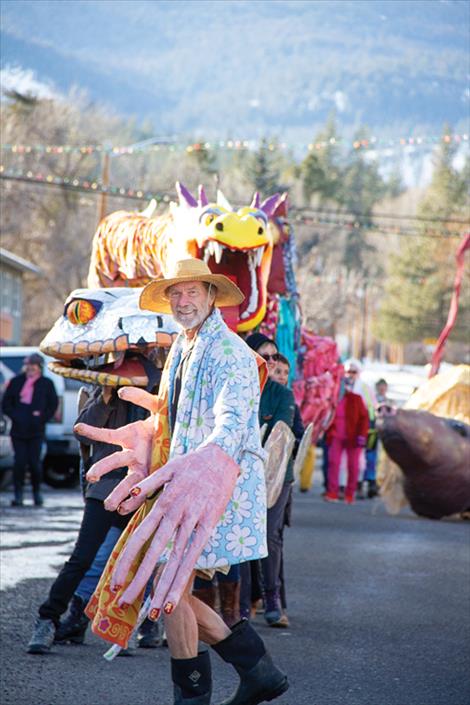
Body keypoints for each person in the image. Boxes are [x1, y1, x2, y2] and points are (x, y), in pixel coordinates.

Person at [72, 259, 288, 705]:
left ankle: (200, 695)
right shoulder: (183, 348)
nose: (183, 300)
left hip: (210, 487)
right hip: (179, 485)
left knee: (171, 591)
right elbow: (172, 417)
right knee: (172, 591)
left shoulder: (230, 353)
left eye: (192, 292)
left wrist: (209, 457)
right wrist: (150, 431)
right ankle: (257, 671)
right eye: (176, 293)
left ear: (211, 297)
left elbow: (233, 423)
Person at [26, 371, 159, 655]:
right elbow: (82, 429)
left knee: (138, 559)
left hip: (143, 488)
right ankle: (48, 619)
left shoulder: (158, 381)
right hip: (106, 488)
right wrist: (107, 397)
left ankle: (130, 627)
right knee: (83, 558)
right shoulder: (103, 388)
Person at [243, 335, 296, 629]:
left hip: (276, 476)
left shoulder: (281, 395)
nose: (273, 362)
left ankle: (272, 600)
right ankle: (240, 603)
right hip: (240, 473)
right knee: (241, 536)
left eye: (275, 357)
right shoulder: (238, 387)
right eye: (267, 356)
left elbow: (280, 435)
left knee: (268, 536)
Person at [2, 353, 58, 507]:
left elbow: (52, 404)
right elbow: (6, 403)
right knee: (19, 463)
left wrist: (41, 417)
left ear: (39, 367)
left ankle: (36, 493)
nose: (30, 369)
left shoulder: (46, 383)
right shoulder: (16, 382)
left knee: (35, 463)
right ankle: (18, 495)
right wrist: (16, 415)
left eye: (33, 366)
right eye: (28, 365)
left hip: (36, 430)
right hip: (18, 430)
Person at [324, 375, 369, 504]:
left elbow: (364, 418)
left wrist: (362, 435)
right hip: (336, 436)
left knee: (353, 465)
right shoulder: (332, 400)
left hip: (353, 437)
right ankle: (332, 492)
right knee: (334, 463)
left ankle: (350, 494)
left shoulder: (356, 398)